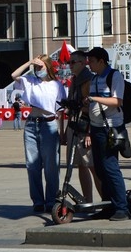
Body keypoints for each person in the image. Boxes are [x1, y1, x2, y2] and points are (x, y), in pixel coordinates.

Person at [10, 53, 67, 213]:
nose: (37, 69)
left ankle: (51, 200)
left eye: (40, 66)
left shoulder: (57, 85)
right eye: (35, 67)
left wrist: (62, 132)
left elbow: (61, 111)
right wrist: (30, 62)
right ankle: (37, 201)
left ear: (48, 67)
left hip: (49, 125)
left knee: (51, 166)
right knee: (32, 165)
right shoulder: (30, 81)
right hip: (31, 125)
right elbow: (14, 75)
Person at [85, 46, 130, 221]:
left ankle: (121, 208)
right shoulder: (95, 78)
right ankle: (108, 205)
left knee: (111, 168)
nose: (89, 65)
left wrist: (94, 99)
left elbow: (117, 100)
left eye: (92, 61)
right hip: (96, 128)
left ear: (102, 61)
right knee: (100, 169)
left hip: (110, 128)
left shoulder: (114, 76)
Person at [66, 50, 102, 202]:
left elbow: (93, 109)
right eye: (69, 62)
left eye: (73, 62)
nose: (70, 65)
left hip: (85, 128)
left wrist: (89, 133)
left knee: (92, 166)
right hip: (75, 127)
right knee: (81, 165)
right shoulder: (75, 80)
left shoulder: (88, 80)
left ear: (83, 63)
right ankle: (88, 200)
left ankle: (107, 200)